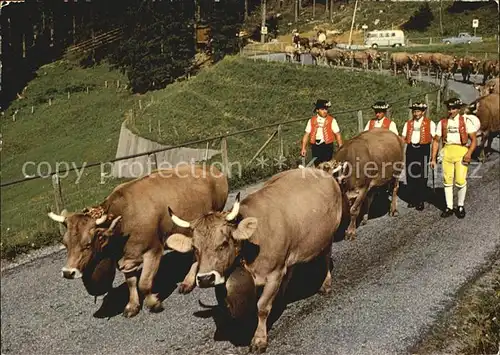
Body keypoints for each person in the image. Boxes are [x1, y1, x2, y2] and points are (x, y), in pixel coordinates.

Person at [430, 97, 477, 218]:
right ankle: (449, 207)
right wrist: (433, 158)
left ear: (459, 109)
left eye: (453, 108)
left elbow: (474, 140)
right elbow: (436, 141)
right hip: (447, 151)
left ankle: (460, 205)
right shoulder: (443, 122)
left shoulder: (465, 121)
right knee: (447, 180)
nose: (451, 111)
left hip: (461, 151)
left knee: (460, 180)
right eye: (449, 108)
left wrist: (469, 153)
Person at [401, 102, 436, 211]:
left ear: (423, 112)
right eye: (414, 111)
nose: (416, 114)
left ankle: (420, 199)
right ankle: (412, 199)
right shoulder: (408, 123)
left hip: (423, 149)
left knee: (422, 175)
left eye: (418, 111)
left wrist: (434, 157)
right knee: (411, 175)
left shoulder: (430, 123)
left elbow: (435, 139)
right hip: (411, 148)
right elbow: (403, 138)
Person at [301, 99, 343, 166]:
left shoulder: (332, 120)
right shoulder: (311, 121)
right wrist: (303, 148)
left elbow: (337, 134)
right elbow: (306, 134)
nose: (325, 111)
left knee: (327, 165)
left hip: (327, 146)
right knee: (317, 165)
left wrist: (340, 147)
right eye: (322, 109)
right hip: (315, 147)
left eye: (326, 109)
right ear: (317, 110)